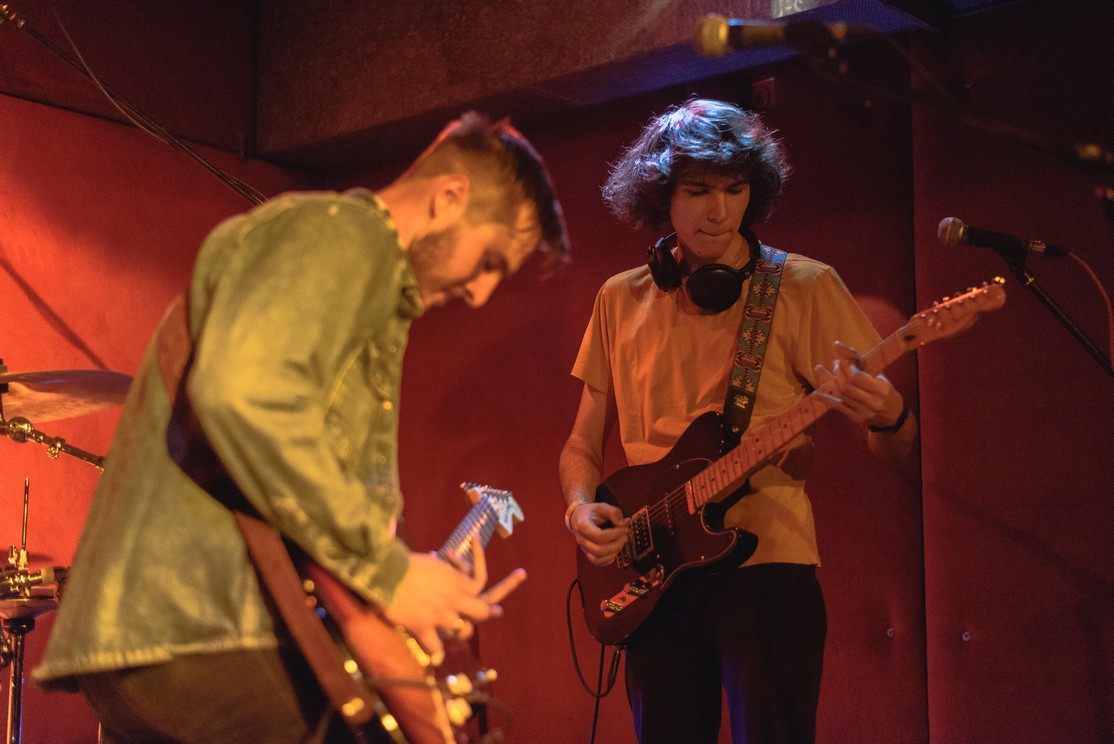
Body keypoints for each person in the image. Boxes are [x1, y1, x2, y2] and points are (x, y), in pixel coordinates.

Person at [34, 112, 569, 743]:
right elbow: (245, 394)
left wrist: (402, 584)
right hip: (204, 629)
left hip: (192, 635)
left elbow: (294, 471)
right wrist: (389, 574)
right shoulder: (344, 233)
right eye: (489, 261)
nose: (480, 293)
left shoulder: (355, 276)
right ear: (449, 197)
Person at [559, 99, 918, 743]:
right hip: (650, 570)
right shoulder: (618, 298)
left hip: (767, 568)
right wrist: (580, 509)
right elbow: (581, 443)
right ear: (661, 195)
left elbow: (901, 452)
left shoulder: (804, 286)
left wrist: (891, 418)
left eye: (735, 189)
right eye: (698, 191)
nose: (719, 211)